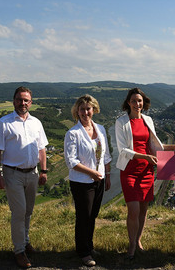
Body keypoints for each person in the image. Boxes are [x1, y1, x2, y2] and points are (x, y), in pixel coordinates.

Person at [115, 87, 175, 259]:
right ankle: (130, 246)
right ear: (128, 103)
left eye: (140, 101)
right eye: (134, 101)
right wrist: (144, 156)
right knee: (133, 210)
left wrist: (171, 147)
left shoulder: (147, 120)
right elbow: (122, 150)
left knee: (144, 210)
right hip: (129, 170)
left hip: (147, 171)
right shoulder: (121, 122)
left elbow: (154, 145)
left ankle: (138, 241)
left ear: (143, 103)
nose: (137, 104)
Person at [0, 86, 48, 268]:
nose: (23, 103)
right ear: (14, 101)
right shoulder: (4, 123)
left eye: (26, 100)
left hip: (32, 173)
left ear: (31, 102)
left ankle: (25, 240)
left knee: (28, 211)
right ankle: (19, 251)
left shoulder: (36, 123)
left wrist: (44, 171)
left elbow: (42, 149)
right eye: (19, 99)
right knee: (19, 211)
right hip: (12, 173)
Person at [64, 94, 112, 267]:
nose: (86, 112)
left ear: (94, 110)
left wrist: (107, 175)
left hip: (99, 179)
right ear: (77, 111)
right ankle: (83, 252)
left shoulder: (101, 129)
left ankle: (89, 246)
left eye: (88, 109)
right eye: (82, 109)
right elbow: (71, 161)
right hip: (82, 182)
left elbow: (106, 155)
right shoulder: (73, 133)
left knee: (93, 215)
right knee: (84, 216)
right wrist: (91, 173)